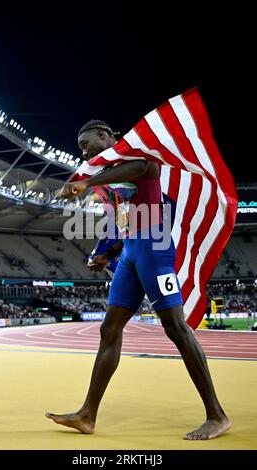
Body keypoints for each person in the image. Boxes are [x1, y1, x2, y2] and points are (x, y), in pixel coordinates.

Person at [46, 120, 231, 440]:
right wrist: (108, 253)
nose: (84, 151)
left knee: (175, 327)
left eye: (86, 143)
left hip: (155, 249)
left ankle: (217, 415)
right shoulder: (114, 182)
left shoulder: (140, 158)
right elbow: (126, 221)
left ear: (104, 136)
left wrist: (88, 181)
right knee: (109, 329)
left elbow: (144, 167)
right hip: (131, 253)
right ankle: (87, 415)